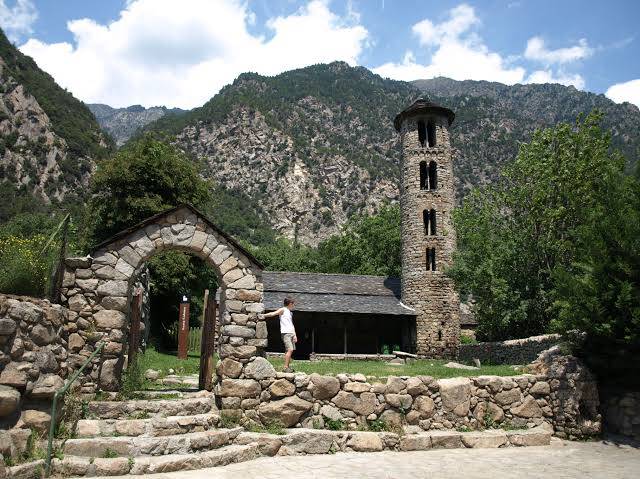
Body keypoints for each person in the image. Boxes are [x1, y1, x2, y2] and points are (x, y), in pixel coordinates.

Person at [261, 297, 297, 372]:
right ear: (290, 304)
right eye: (293, 304)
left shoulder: (290, 313)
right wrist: (263, 315)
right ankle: (285, 367)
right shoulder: (282, 309)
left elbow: (291, 324)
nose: (293, 305)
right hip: (286, 333)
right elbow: (273, 313)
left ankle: (287, 367)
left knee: (289, 350)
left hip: (291, 333)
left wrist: (294, 335)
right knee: (290, 349)